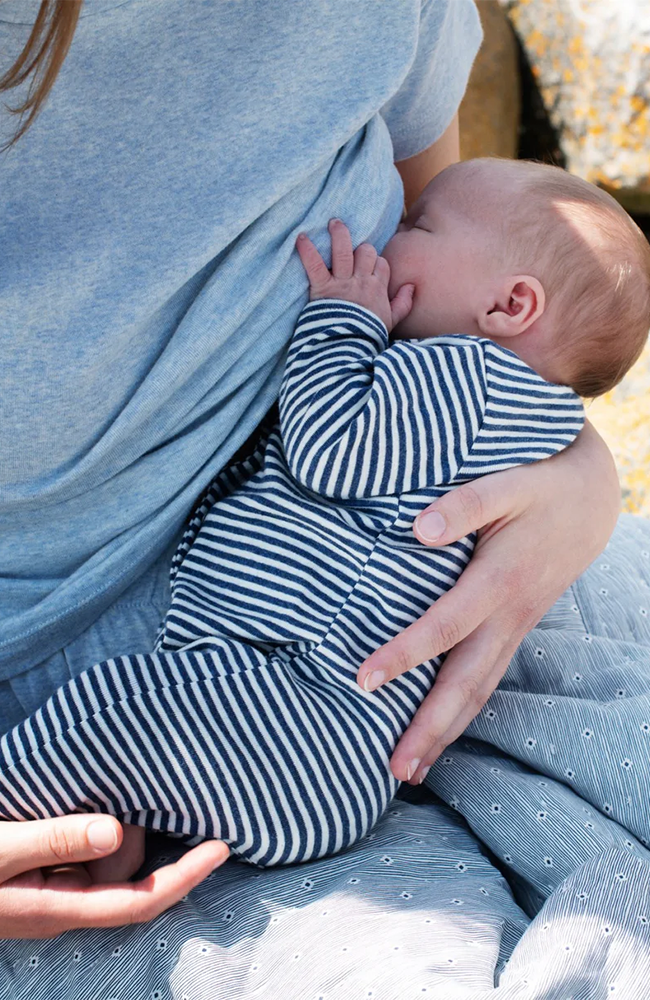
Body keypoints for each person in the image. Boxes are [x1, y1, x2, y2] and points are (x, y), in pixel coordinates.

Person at [2, 1, 647, 997]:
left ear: (510, 307)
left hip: (291, 694)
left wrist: (577, 479)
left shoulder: (461, 377)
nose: (386, 251)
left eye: (415, 235)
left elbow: (334, 444)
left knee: (116, 714)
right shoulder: (485, 380)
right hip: (291, 717)